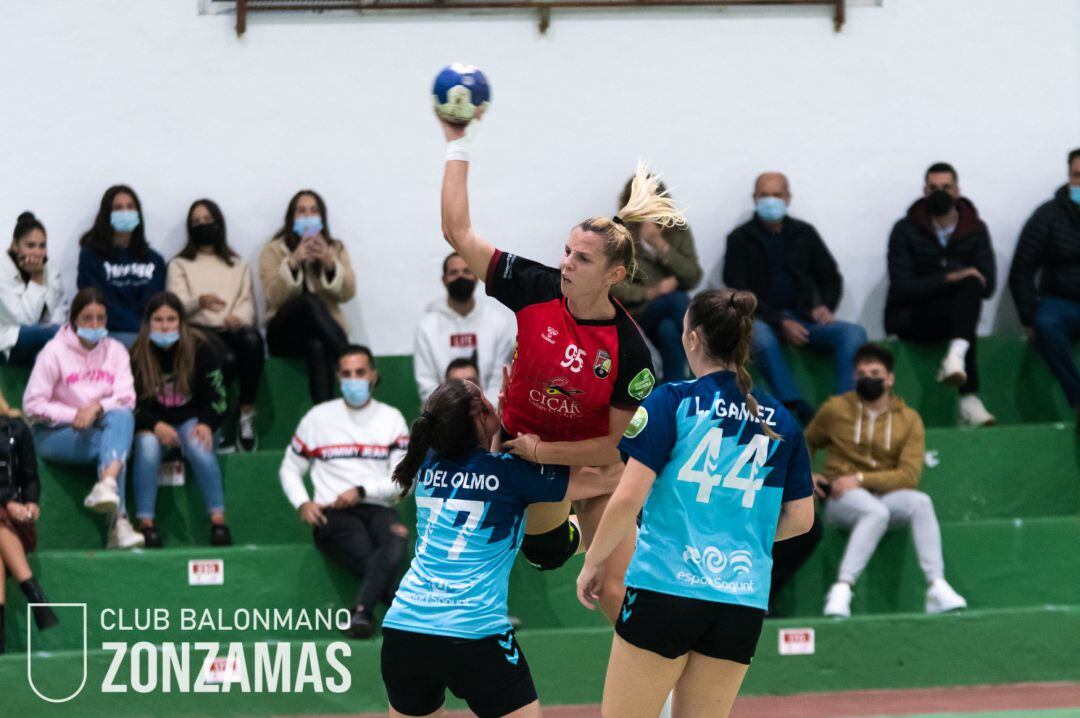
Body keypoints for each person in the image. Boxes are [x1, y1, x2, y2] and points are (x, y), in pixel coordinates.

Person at [438, 116, 675, 622]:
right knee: (544, 554)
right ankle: (556, 533)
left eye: (582, 259)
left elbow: (616, 446)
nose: (566, 263)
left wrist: (548, 450)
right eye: (567, 251)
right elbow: (457, 232)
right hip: (525, 455)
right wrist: (458, 143)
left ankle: (655, 694)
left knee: (617, 593)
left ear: (614, 275)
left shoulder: (631, 351)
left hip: (588, 465)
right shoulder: (535, 286)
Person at [576, 289, 815, 718]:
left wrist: (594, 562)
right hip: (740, 601)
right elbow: (800, 520)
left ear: (692, 339)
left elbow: (628, 495)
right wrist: (740, 530)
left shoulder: (672, 401)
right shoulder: (782, 420)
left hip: (666, 588)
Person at [381, 378, 618, 718]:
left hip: (404, 629)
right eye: (483, 398)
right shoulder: (512, 475)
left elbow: (478, 473)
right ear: (481, 413)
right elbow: (604, 480)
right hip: (473, 632)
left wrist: (498, 422)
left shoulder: (429, 464)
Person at [805, 343, 967, 618]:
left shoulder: (909, 420)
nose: (868, 377)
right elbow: (805, 442)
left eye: (875, 372)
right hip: (842, 497)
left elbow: (909, 476)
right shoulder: (835, 409)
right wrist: (807, 475)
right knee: (874, 511)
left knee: (920, 502)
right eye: (862, 372)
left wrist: (860, 478)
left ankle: (936, 585)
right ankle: (843, 587)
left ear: (890, 378)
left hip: (881, 494)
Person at [716, 172, 866, 426]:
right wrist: (780, 321)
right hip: (762, 319)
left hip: (807, 319)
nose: (771, 200)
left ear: (788, 198)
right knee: (759, 335)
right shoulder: (739, 239)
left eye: (777, 194)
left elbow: (830, 276)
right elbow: (738, 289)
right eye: (764, 195)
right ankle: (794, 405)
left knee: (854, 333)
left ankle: (842, 410)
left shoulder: (804, 233)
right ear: (754, 198)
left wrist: (826, 306)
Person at [279, 346, 409, 639]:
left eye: (360, 372)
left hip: (377, 506)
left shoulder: (391, 419)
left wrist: (362, 490)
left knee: (396, 537)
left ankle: (362, 611)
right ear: (338, 377)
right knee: (367, 550)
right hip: (332, 513)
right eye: (347, 374)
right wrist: (302, 502)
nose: (354, 379)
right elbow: (290, 467)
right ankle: (408, 609)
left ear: (373, 376)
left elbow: (402, 480)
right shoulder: (318, 418)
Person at [22, 288, 144, 549]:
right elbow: (32, 405)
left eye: (101, 318)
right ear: (74, 319)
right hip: (53, 433)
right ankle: (118, 524)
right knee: (116, 444)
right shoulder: (53, 351)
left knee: (122, 417)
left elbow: (127, 398)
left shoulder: (116, 350)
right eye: (88, 318)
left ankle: (107, 485)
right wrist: (75, 414)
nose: (95, 324)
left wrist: (96, 408)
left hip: (102, 426)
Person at [886, 162, 997, 427]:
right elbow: (903, 286)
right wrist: (948, 277)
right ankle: (968, 397)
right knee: (966, 292)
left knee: (971, 287)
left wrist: (960, 278)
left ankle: (955, 358)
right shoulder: (905, 230)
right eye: (933, 188)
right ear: (924, 191)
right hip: (914, 318)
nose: (940, 192)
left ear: (957, 191)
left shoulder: (975, 229)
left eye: (946, 187)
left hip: (956, 318)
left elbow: (988, 284)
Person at [129, 292, 231, 548]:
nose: (165, 326)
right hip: (153, 423)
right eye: (159, 320)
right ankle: (146, 525)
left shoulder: (201, 348)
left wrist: (207, 422)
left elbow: (219, 397)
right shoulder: (136, 354)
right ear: (148, 323)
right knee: (148, 448)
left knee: (199, 445)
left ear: (181, 322)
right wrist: (154, 425)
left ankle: (218, 521)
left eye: (171, 320)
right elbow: (128, 403)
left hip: (192, 419)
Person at [167, 199, 263, 452]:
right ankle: (215, 425)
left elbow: (247, 304)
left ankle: (246, 414)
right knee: (227, 359)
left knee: (253, 340)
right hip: (198, 330)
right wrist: (199, 302)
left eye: (207, 220)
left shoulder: (238, 265)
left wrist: (238, 318)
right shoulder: (179, 265)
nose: (202, 225)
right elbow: (175, 306)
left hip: (232, 328)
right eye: (196, 222)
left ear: (218, 224)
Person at [259, 190, 356, 404]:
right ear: (291, 217)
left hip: (320, 336)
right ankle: (351, 359)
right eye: (301, 211)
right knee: (308, 301)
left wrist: (329, 262)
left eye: (313, 211)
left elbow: (348, 293)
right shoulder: (272, 250)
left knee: (317, 345)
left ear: (322, 217)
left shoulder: (335, 248)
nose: (307, 216)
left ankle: (323, 416)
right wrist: (293, 261)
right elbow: (273, 297)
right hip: (283, 334)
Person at [1009, 148, 1080, 431]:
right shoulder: (1048, 215)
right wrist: (1028, 317)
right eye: (1077, 175)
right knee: (1045, 323)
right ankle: (1077, 398)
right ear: (1068, 177)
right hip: (1062, 304)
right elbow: (1022, 269)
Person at [610, 176, 703, 384]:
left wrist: (662, 245)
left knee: (668, 330)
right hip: (640, 311)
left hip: (672, 313)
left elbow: (693, 276)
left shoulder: (676, 230)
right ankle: (705, 356)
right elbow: (611, 284)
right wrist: (652, 292)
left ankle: (674, 393)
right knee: (677, 299)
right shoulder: (618, 234)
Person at [413, 252, 516, 407]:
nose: (461, 276)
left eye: (467, 271)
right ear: (444, 279)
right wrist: (452, 414)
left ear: (476, 275)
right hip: (443, 418)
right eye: (454, 272)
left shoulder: (497, 322)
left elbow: (498, 381)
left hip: (487, 415)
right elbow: (427, 383)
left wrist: (482, 413)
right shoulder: (427, 326)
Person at [77, 185, 166, 348]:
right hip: (107, 331)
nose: (125, 212)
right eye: (118, 208)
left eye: (130, 207)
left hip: (145, 332)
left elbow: (154, 302)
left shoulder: (155, 260)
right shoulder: (90, 255)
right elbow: (95, 299)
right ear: (107, 214)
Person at [0, 412, 59, 654]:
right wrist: (7, 502)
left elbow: (30, 476)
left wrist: (31, 503)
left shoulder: (16, 428)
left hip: (13, 524)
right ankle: (35, 595)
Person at [0, 212, 65, 365]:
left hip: (47, 333)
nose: (37, 252)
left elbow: (62, 305)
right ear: (15, 245)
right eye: (30, 246)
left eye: (42, 246)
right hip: (10, 340)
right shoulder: (2, 271)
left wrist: (53, 325)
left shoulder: (50, 268)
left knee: (66, 336)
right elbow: (25, 320)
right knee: (55, 335)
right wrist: (36, 278)